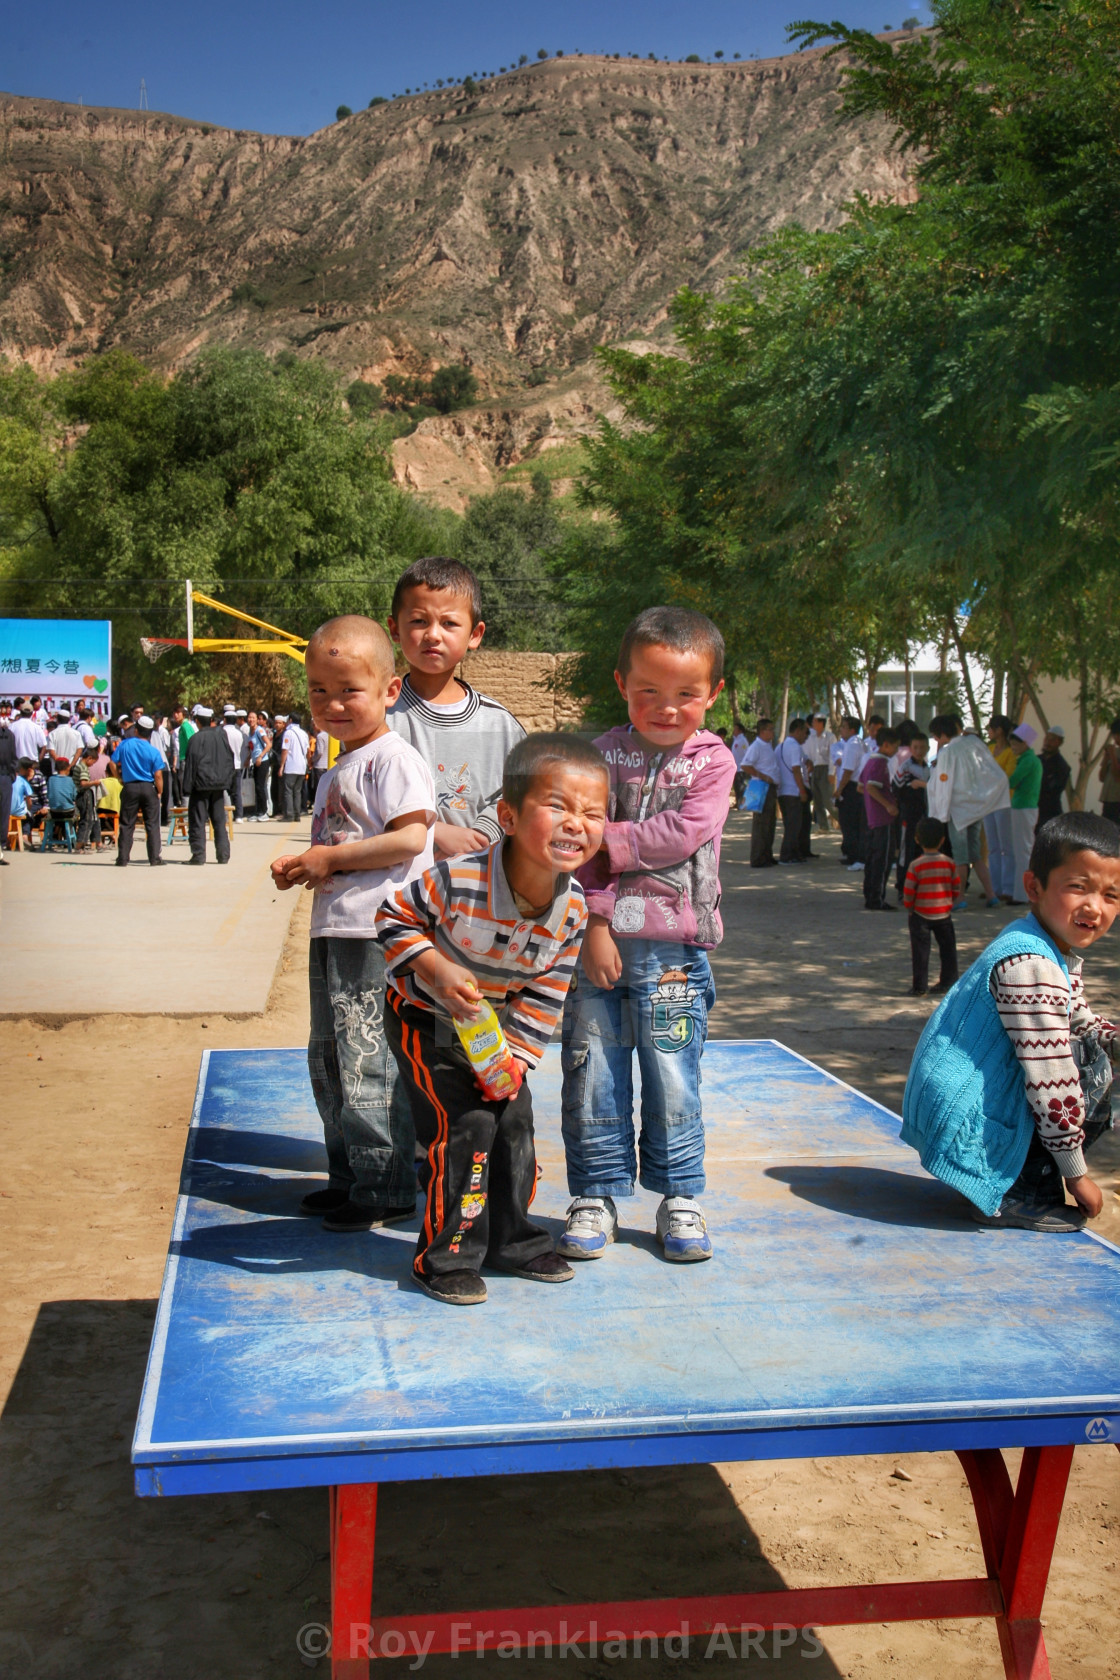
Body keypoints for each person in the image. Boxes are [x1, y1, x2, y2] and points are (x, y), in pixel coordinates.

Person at [376, 732, 607, 1306]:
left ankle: (514, 1241)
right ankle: (446, 1255)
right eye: (557, 806)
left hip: (494, 1028)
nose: (575, 823)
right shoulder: (460, 878)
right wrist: (434, 967)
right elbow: (393, 918)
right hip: (424, 1017)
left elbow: (547, 991)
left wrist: (515, 1061)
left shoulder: (573, 908)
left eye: (593, 813)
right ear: (507, 814)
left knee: (512, 1121)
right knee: (466, 1128)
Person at [557, 605, 737, 1265]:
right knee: (593, 1070)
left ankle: (681, 1195)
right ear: (621, 685)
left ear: (713, 693)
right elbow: (582, 861)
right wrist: (596, 922)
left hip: (674, 955)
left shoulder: (713, 761)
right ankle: (595, 1193)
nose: (667, 708)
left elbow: (684, 833)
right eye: (648, 693)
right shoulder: (599, 758)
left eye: (686, 694)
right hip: (597, 944)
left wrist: (606, 836)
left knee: (673, 1072)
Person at [271, 616, 436, 1234]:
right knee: (332, 1056)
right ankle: (349, 1175)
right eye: (318, 689)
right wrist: (306, 868)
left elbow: (411, 838)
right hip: (335, 931)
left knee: (370, 1056)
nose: (332, 703)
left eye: (348, 690)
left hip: (375, 934)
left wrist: (331, 859)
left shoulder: (393, 759)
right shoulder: (341, 763)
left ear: (391, 691)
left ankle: (386, 1185)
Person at [902, 812, 1120, 1232]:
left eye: (1111, 895)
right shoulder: (1033, 964)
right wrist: (1076, 1173)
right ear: (1034, 886)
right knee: (1086, 1066)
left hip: (953, 1107)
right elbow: (1050, 1075)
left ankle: (1018, 1176)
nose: (1095, 906)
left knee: (1090, 1047)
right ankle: (1017, 1194)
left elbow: (1079, 1019)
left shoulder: (1043, 940)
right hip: (960, 1120)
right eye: (1078, 887)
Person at [387, 556, 527, 856]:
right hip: (396, 890)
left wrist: (481, 834)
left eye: (449, 623)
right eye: (418, 621)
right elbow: (359, 796)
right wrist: (433, 832)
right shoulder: (379, 718)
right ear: (394, 629)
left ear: (474, 635)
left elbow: (521, 796)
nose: (433, 634)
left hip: (474, 890)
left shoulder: (500, 727)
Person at [927, 714, 1005, 909]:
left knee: (960, 857)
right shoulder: (974, 743)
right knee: (976, 855)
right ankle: (991, 895)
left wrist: (940, 814)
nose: (936, 740)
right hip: (974, 807)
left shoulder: (948, 752)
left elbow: (943, 784)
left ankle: (959, 898)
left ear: (942, 734)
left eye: (936, 737)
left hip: (957, 810)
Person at [902, 817, 959, 995]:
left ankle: (920, 987)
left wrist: (909, 907)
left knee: (920, 952)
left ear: (917, 839)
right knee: (948, 950)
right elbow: (956, 886)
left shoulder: (916, 865)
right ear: (942, 840)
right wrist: (949, 901)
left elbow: (909, 891)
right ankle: (948, 981)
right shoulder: (949, 863)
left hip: (920, 914)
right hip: (943, 913)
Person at [110, 717, 166, 866]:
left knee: (127, 824)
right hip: (148, 788)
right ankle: (154, 858)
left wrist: (119, 778)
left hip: (130, 787)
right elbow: (158, 775)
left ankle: (122, 858)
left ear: (136, 730)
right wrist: (160, 791)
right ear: (150, 734)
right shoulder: (153, 751)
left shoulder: (124, 745)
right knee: (152, 824)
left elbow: (112, 762)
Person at [182, 707, 234, 864]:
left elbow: (190, 765)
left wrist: (186, 788)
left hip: (201, 786)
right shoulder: (221, 737)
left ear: (197, 721)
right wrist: (227, 781)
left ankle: (198, 855)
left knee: (197, 821)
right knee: (219, 821)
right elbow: (229, 759)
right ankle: (223, 855)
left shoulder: (196, 739)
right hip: (218, 786)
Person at [859, 725, 900, 910]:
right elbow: (870, 787)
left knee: (873, 858)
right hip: (882, 818)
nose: (897, 750)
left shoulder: (870, 761)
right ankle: (877, 898)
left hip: (871, 818)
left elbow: (861, 786)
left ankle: (870, 894)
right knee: (882, 860)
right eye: (895, 746)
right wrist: (887, 804)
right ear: (886, 745)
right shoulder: (880, 763)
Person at [1007, 723, 1042, 902]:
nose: (1013, 748)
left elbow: (1012, 781)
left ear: (1025, 743)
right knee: (1023, 850)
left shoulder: (1028, 760)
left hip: (1023, 807)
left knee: (1022, 852)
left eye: (1015, 744)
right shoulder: (1030, 759)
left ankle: (1022, 895)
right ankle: (1023, 893)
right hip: (1025, 806)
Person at [983, 713, 1016, 903]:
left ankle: (1008, 887)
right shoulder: (990, 748)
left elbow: (1007, 776)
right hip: (989, 801)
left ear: (999, 730)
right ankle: (994, 887)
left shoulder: (1011, 752)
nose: (989, 732)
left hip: (1004, 802)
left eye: (991, 728)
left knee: (1006, 846)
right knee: (993, 847)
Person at [894, 729, 930, 895]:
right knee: (906, 851)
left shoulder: (929, 768)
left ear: (928, 748)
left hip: (925, 816)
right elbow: (897, 790)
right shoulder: (905, 767)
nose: (919, 751)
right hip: (908, 816)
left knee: (921, 851)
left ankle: (919, 886)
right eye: (915, 747)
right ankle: (903, 886)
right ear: (910, 748)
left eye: (922, 747)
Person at [740, 717, 779, 867]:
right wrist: (763, 776)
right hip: (761, 786)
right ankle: (758, 857)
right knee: (761, 824)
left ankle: (767, 855)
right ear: (763, 731)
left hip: (770, 787)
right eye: (770, 729)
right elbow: (745, 765)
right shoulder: (756, 746)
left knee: (769, 823)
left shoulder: (767, 746)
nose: (772, 733)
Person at [777, 717, 812, 864]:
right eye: (805, 732)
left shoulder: (781, 746)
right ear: (797, 731)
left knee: (793, 824)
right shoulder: (794, 747)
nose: (806, 736)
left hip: (784, 791)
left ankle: (795, 852)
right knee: (793, 826)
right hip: (792, 791)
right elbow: (796, 769)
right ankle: (787, 855)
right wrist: (802, 791)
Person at [835, 716, 866, 868]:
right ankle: (852, 854)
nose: (841, 729)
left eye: (844, 727)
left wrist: (839, 789)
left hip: (851, 787)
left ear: (852, 730)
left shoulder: (853, 744)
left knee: (850, 823)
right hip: (853, 786)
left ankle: (855, 856)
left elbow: (848, 770)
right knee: (850, 822)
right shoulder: (854, 743)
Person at [804, 714, 835, 832]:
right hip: (815, 769)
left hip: (825, 769)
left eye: (815, 721)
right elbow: (808, 754)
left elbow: (832, 756)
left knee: (827, 800)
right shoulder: (811, 738)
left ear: (821, 723)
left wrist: (832, 772)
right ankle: (823, 825)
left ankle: (841, 820)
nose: (813, 724)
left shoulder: (830, 737)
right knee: (817, 800)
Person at [1038, 726, 1071, 829]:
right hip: (1033, 810)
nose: (1048, 742)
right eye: (1046, 738)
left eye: (1052, 740)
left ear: (1059, 742)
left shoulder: (1062, 766)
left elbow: (1052, 790)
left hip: (1049, 814)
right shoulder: (1036, 760)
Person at [222, 706, 246, 821]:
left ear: (225, 719)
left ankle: (227, 815)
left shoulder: (222, 732)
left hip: (225, 766)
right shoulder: (239, 733)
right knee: (237, 791)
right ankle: (239, 815)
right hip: (237, 764)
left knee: (225, 790)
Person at [248, 712, 273, 821]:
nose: (251, 719)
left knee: (261, 787)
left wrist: (260, 756)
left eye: (253, 718)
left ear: (257, 720)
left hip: (262, 761)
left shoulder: (259, 730)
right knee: (257, 788)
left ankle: (264, 812)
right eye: (249, 717)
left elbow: (268, 744)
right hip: (255, 762)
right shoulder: (250, 731)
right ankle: (258, 811)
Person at [1098, 715, 1120, 827]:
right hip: (1108, 801)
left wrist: (1112, 755)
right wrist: (1106, 758)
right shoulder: (1114, 751)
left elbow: (1117, 776)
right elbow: (1102, 778)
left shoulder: (1114, 753)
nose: (1115, 738)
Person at [0, 704, 14, 861]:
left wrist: (11, 775)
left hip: (5, 776)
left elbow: (12, 757)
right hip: (5, 777)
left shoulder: (9, 735)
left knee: (3, 815)